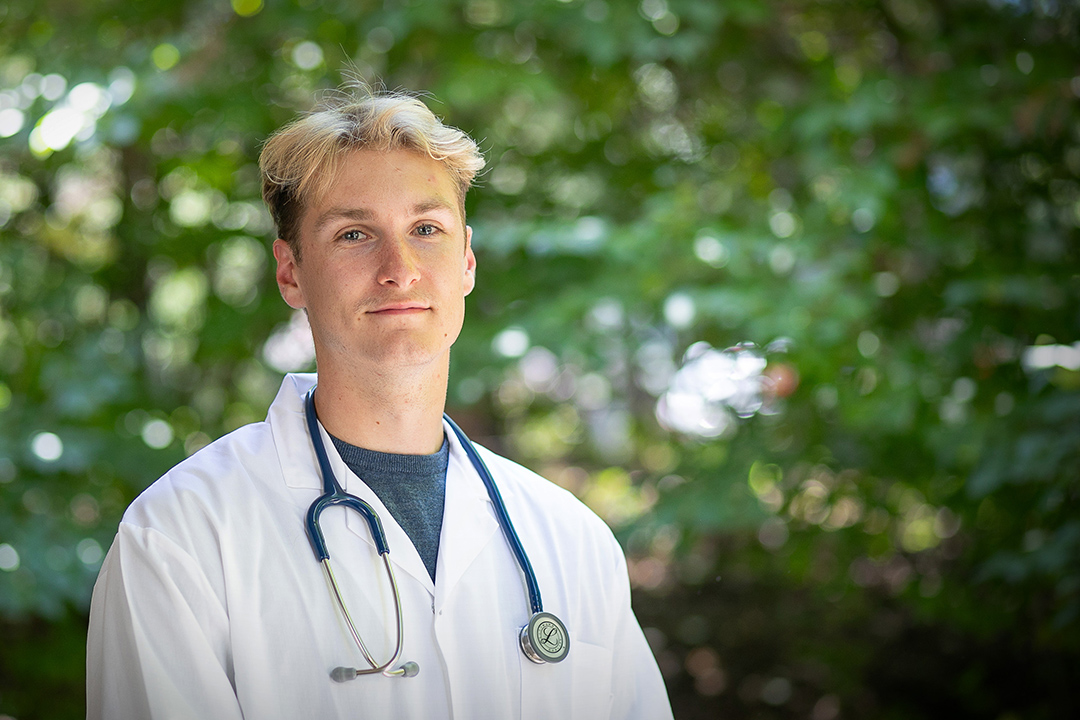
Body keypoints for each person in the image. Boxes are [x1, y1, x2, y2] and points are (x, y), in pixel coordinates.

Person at [86, 84, 673, 720]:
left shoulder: (570, 538)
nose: (400, 268)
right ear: (291, 272)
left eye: (427, 229)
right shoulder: (182, 536)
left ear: (467, 261)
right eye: (355, 234)